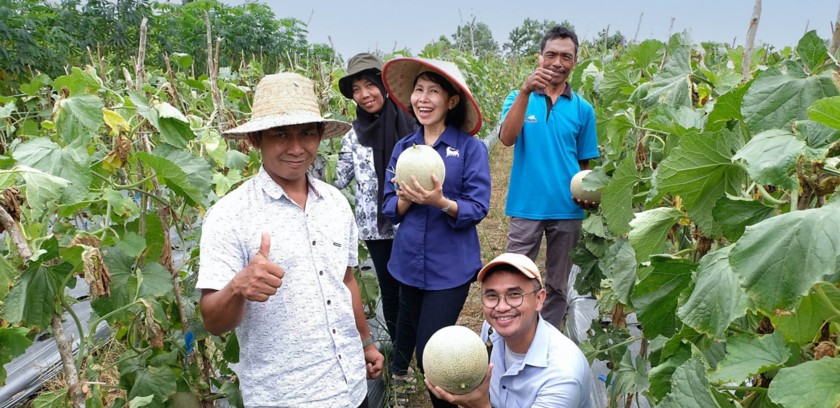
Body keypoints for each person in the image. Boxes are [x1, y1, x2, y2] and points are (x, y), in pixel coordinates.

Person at [196, 72, 384, 407]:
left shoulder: (336, 204)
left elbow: (346, 281)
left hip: (351, 389)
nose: (297, 148)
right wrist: (238, 287)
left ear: (320, 136)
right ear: (256, 140)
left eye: (307, 133)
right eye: (281, 134)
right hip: (285, 397)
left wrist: (367, 343)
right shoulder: (230, 215)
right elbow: (212, 321)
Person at [381, 57, 491, 408]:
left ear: (451, 101)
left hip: (451, 269)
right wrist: (406, 200)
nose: (423, 99)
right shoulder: (403, 149)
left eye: (433, 91)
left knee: (433, 350)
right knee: (422, 349)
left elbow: (477, 207)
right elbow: (388, 208)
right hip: (408, 264)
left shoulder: (471, 149)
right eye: (418, 90)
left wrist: (441, 201)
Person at [498, 26, 600, 330]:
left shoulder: (583, 109)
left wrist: (589, 196)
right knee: (514, 277)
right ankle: (512, 334)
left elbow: (584, 165)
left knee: (557, 284)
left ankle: (549, 339)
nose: (558, 62)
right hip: (526, 205)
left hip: (567, 209)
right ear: (540, 57)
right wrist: (527, 90)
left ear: (575, 62)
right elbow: (506, 138)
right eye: (551, 54)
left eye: (566, 56)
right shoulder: (518, 97)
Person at [335, 53, 418, 387]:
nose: (365, 94)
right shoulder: (352, 137)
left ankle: (419, 352)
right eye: (356, 89)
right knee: (392, 294)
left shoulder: (413, 125)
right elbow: (337, 179)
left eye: (370, 84)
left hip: (414, 222)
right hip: (378, 228)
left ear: (384, 85)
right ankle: (401, 363)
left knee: (414, 290)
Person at [426, 253, 593, 408]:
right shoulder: (491, 329)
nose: (502, 307)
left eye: (514, 294)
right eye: (492, 296)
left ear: (539, 299)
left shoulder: (562, 376)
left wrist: (480, 404)